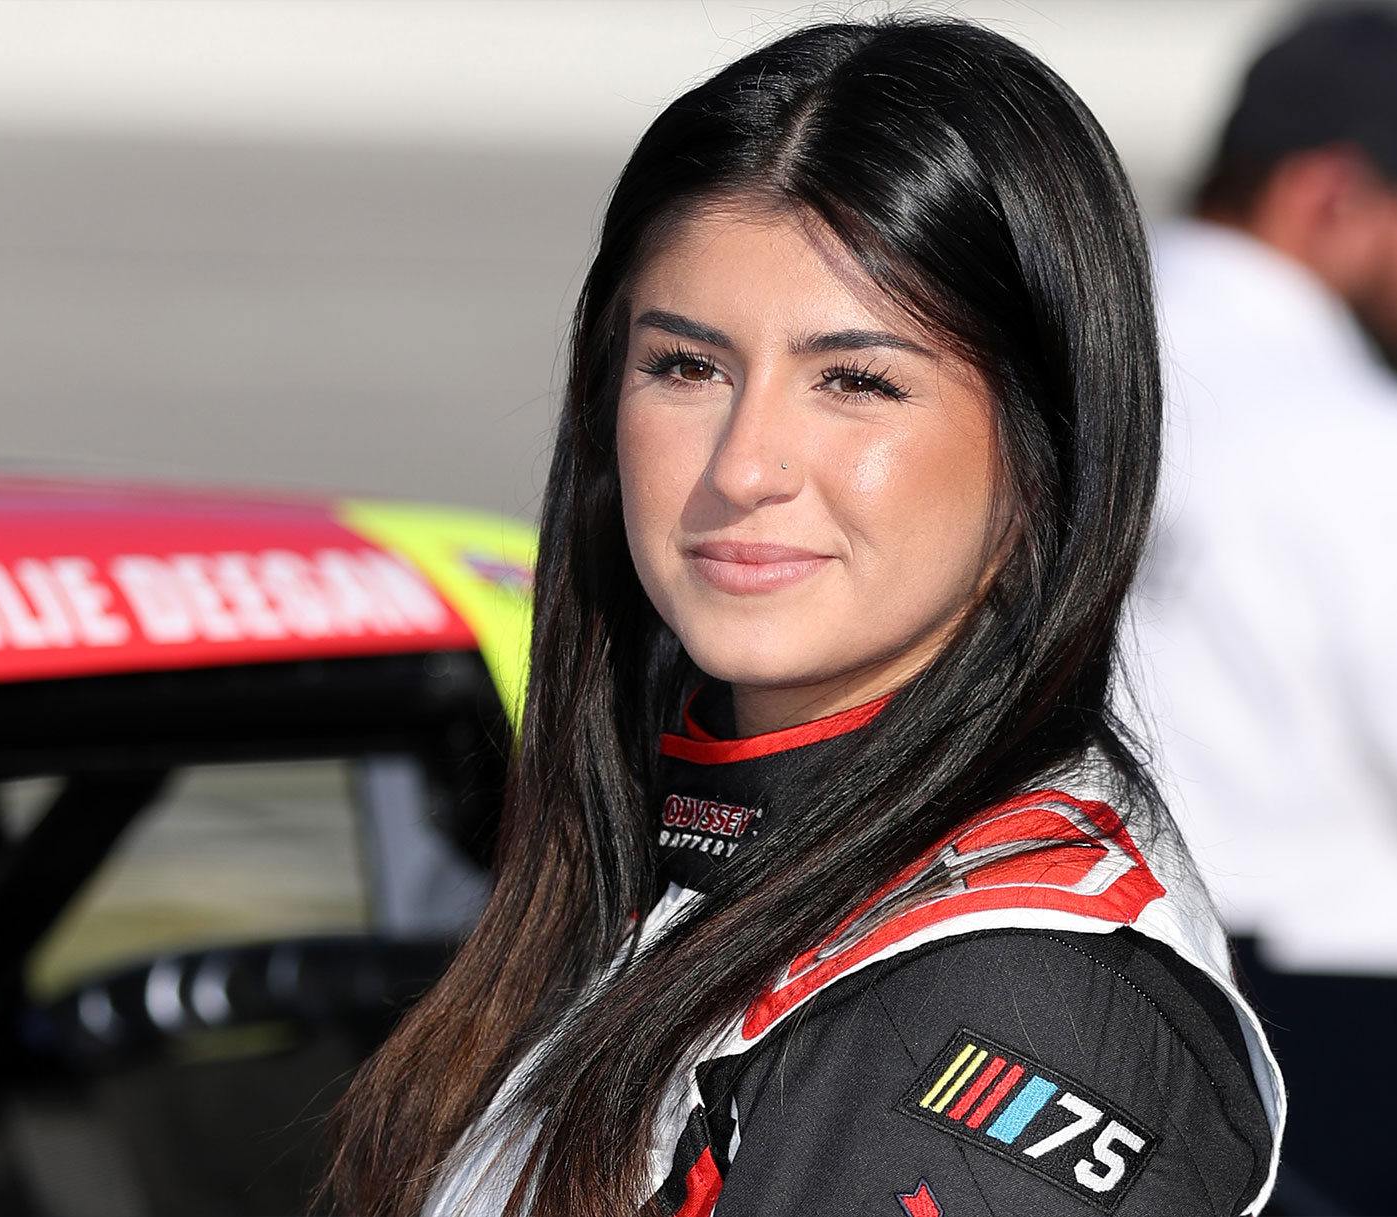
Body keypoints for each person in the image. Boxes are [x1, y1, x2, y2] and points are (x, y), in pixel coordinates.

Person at [324, 17, 1283, 1217]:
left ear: (1047, 450)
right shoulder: (652, 843)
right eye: (686, 366)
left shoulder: (1011, 999)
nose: (743, 465)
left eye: (855, 381)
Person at [1132, 8, 1397, 1212]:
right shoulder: (1347, 430)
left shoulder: (1040, 357)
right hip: (1335, 1036)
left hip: (1057, 971)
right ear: (1334, 195)